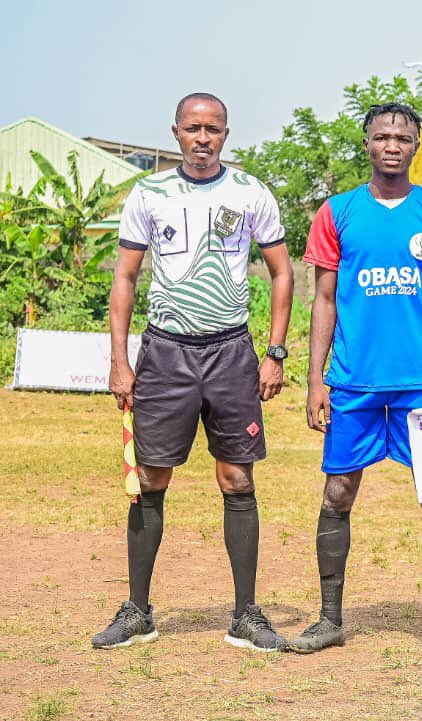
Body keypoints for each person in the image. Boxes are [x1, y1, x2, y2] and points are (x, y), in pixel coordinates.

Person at [95, 93, 294, 651]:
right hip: (165, 356)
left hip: (231, 353)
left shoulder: (251, 192)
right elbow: (127, 278)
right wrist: (119, 360)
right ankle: (137, 610)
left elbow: (282, 273)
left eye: (212, 129)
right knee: (150, 479)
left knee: (237, 478)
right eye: (192, 128)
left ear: (226, 134)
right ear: (176, 133)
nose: (202, 138)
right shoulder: (149, 193)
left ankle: (246, 615)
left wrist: (274, 352)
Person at [290, 103, 422, 655]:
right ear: (367, 144)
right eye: (382, 136)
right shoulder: (337, 212)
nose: (392, 145)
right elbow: (323, 299)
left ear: (415, 147)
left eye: (402, 137)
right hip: (352, 381)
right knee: (338, 492)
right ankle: (329, 619)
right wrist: (315, 380)